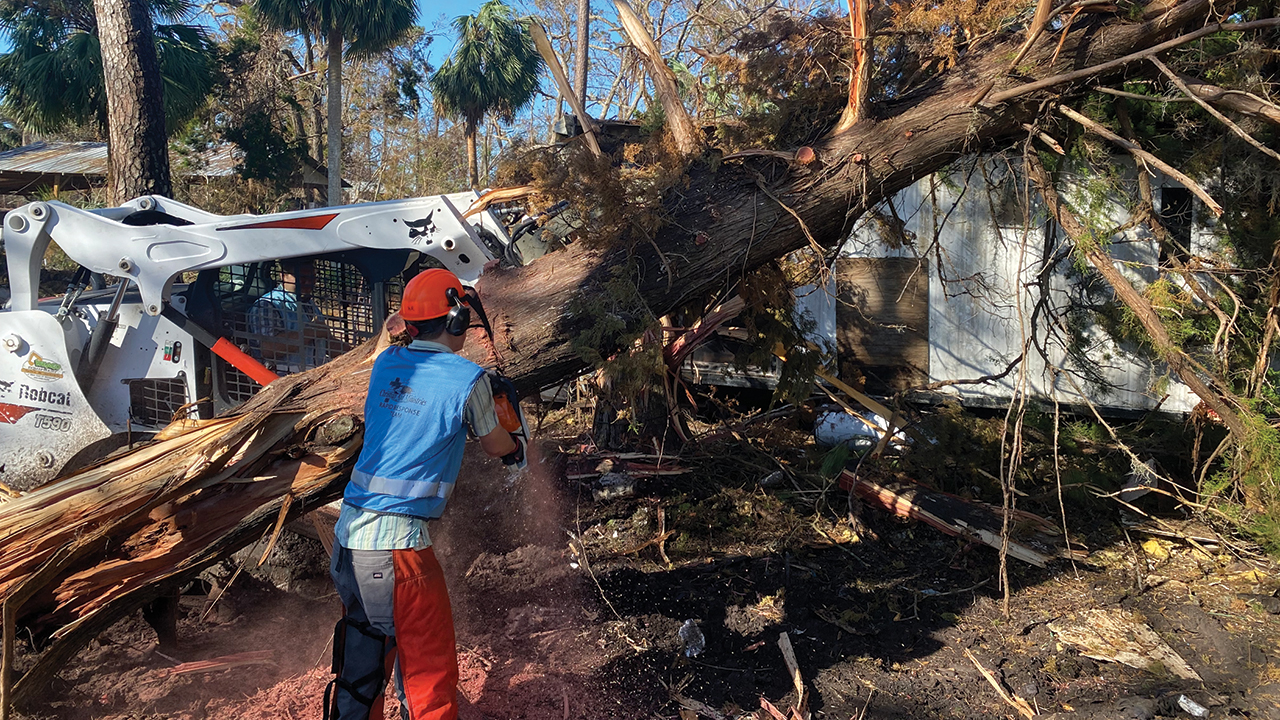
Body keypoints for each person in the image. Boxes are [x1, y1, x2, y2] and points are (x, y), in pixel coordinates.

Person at [325, 268, 519, 720]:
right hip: (397, 550)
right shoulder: (469, 381)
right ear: (455, 321)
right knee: (427, 669)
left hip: (348, 537)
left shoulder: (387, 363)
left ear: (410, 324)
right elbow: (495, 445)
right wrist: (517, 443)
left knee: (363, 659)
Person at [247, 258, 343, 371]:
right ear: (283, 276)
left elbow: (326, 343)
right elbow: (269, 349)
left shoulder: (308, 303)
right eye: (302, 277)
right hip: (282, 379)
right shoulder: (267, 305)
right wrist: (310, 332)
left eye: (312, 277)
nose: (308, 282)